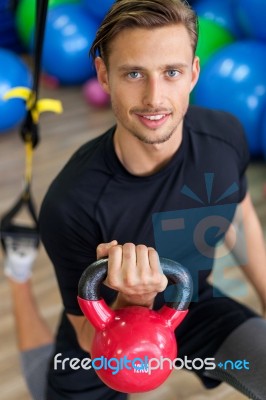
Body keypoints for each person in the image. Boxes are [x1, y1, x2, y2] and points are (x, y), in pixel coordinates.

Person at [3, 0, 266, 399]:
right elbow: (88, 334)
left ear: (193, 73)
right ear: (104, 76)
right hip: (105, 333)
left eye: (171, 72)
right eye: (134, 74)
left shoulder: (224, 136)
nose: (154, 97)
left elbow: (238, 214)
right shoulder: (71, 202)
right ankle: (18, 274)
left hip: (194, 305)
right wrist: (132, 301)